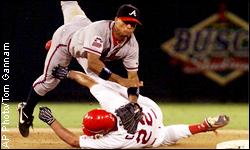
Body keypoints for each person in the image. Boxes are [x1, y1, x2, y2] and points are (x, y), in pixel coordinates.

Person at [18, 1, 143, 137]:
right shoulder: (100, 30)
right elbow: (93, 64)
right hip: (66, 40)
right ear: (116, 20)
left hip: (83, 28)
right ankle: (26, 110)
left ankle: (105, 126)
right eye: (125, 22)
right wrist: (120, 80)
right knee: (50, 81)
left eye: (133, 24)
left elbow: (133, 78)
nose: (129, 26)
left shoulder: (132, 45)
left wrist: (133, 103)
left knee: (100, 83)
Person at [38, 67, 230, 149]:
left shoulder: (115, 139)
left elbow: (73, 141)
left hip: (153, 136)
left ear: (104, 131)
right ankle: (133, 91)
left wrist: (50, 120)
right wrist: (68, 73)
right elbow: (88, 82)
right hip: (152, 111)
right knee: (111, 87)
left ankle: (201, 126)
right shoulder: (113, 105)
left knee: (167, 136)